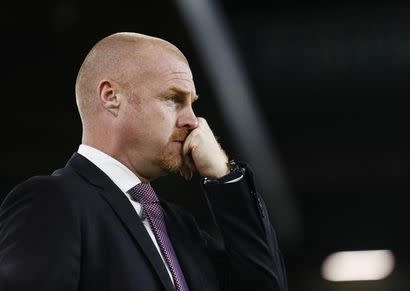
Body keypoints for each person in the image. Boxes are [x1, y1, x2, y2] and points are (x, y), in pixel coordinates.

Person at [0, 32, 288, 291]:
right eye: (174, 99)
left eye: (192, 103)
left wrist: (223, 177)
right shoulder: (52, 201)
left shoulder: (179, 226)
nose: (193, 121)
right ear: (111, 97)